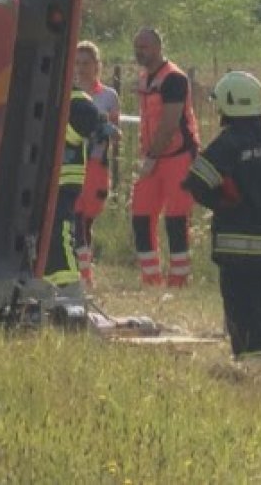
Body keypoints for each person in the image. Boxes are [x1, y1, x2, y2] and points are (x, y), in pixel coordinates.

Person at [182, 71, 261, 363]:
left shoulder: (228, 143)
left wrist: (222, 202)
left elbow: (196, 182)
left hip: (237, 245)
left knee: (242, 303)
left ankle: (252, 362)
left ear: (228, 104)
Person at [131, 27, 200, 287]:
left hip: (177, 156)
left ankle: (178, 279)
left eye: (145, 46)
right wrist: (148, 156)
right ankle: (151, 277)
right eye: (137, 47)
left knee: (176, 218)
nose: (140, 52)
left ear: (158, 47)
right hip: (153, 155)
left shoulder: (174, 79)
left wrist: (150, 157)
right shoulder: (144, 78)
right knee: (141, 215)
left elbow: (170, 124)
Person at [44, 86, 118, 298]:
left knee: (62, 234)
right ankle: (58, 287)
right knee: (55, 235)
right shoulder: (69, 99)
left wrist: (104, 127)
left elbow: (99, 128)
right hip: (52, 185)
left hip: (62, 185)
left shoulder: (76, 103)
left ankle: (69, 292)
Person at [73, 41, 120, 275]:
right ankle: (83, 274)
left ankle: (83, 268)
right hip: (72, 163)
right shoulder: (69, 92)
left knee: (87, 220)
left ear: (97, 66)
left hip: (96, 165)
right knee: (75, 217)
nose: (81, 68)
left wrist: (106, 129)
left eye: (86, 63)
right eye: (78, 63)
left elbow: (115, 133)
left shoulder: (108, 96)